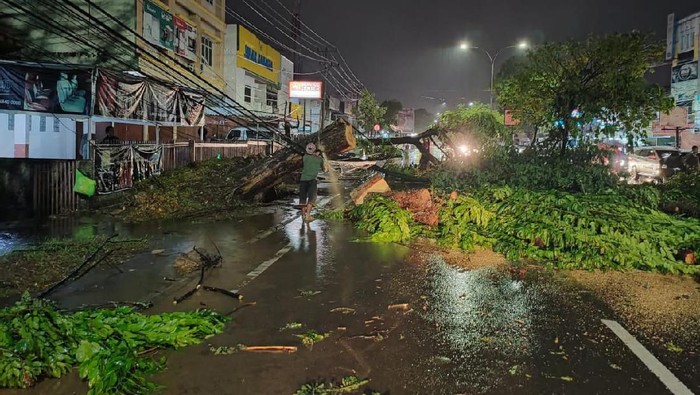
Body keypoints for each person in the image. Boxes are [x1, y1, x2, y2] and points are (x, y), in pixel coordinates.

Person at [299, 142, 329, 222]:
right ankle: (308, 215)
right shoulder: (319, 160)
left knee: (303, 198)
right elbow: (325, 170)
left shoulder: (304, 157)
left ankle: (303, 215)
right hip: (312, 180)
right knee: (312, 198)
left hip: (303, 180)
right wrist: (325, 162)